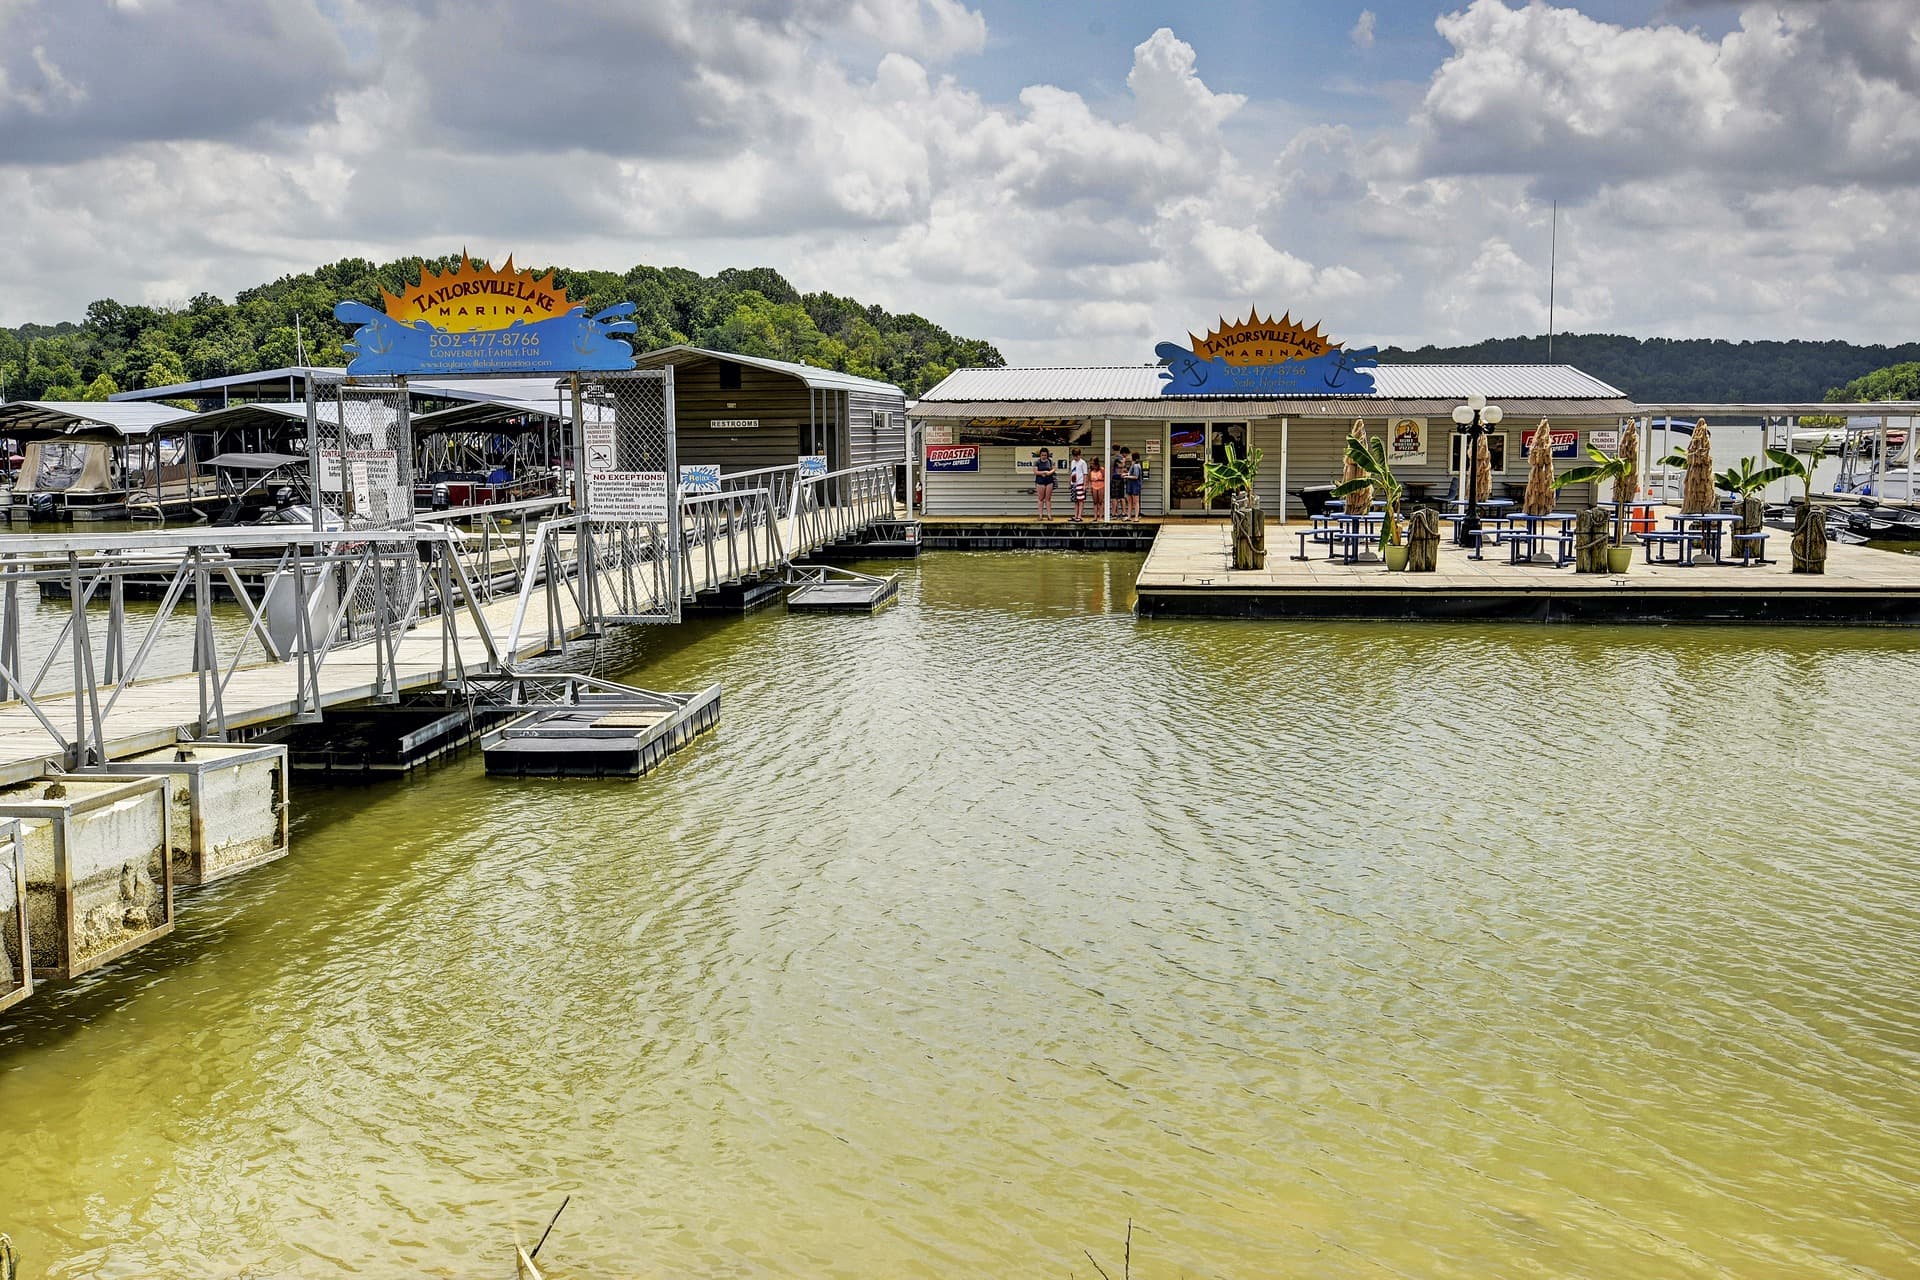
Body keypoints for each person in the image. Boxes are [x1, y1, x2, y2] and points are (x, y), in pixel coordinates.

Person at [1033, 446, 1056, 520]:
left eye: (1045, 455)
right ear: (1040, 455)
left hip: (1049, 481)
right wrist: (1043, 472)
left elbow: (1054, 469)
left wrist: (1049, 473)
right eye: (1042, 455)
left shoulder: (1050, 461)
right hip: (1040, 481)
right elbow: (1035, 472)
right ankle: (1040, 515)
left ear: (1047, 455)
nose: (1044, 456)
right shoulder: (1037, 462)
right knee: (1040, 498)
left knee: (1048, 499)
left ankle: (1049, 515)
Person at [1068, 447, 1089, 522]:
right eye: (1074, 456)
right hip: (1074, 483)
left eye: (1077, 456)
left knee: (1081, 500)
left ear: (1080, 455)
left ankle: (1079, 516)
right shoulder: (1073, 462)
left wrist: (1085, 484)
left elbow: (1085, 474)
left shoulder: (1083, 463)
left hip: (1080, 483)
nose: (1076, 457)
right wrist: (1070, 481)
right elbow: (1072, 472)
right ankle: (1075, 515)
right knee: (1075, 500)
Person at [1126, 450, 1145, 521]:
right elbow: (1130, 474)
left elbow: (1136, 476)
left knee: (1135, 501)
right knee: (1130, 501)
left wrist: (1126, 477)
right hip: (1130, 485)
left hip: (1135, 485)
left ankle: (1136, 517)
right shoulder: (1132, 465)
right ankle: (1129, 516)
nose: (1129, 457)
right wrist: (1126, 474)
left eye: (1130, 456)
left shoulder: (1136, 466)